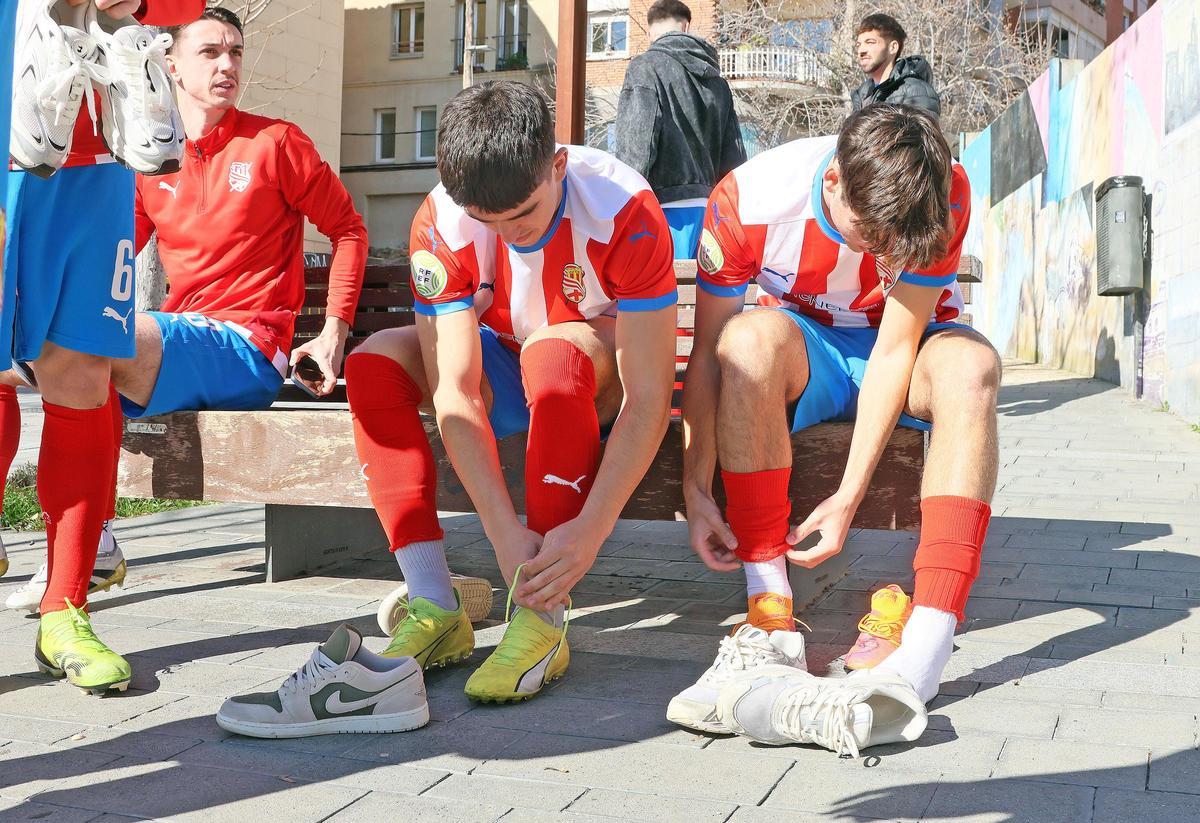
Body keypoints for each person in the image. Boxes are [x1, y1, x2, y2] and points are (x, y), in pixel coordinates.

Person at [219, 80, 678, 735]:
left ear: (557, 166)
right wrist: (500, 533)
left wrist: (592, 528)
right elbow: (456, 394)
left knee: (551, 348)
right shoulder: (440, 218)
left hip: (584, 370)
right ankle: (435, 601)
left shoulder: (624, 206)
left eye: (520, 216)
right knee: (374, 361)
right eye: (484, 221)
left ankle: (542, 616)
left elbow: (648, 398)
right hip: (501, 360)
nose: (503, 234)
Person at [1, 5, 369, 614]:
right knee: (18, 356)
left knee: (98, 344)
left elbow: (350, 231)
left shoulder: (277, 142)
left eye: (235, 52)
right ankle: (90, 540)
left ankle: (90, 546)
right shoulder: (148, 156)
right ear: (167, 63)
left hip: (249, 347)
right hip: (176, 344)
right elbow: (114, 251)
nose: (227, 65)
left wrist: (333, 333)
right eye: (209, 52)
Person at [670, 104, 999, 756]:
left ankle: (925, 647)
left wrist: (849, 494)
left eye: (894, 243)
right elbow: (708, 351)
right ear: (832, 186)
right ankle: (770, 617)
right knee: (747, 338)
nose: (881, 256)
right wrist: (695, 483)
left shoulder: (940, 186)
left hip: (902, 349)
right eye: (868, 235)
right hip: (810, 352)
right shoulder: (750, 199)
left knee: (973, 364)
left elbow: (895, 349)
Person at [1, 0, 204, 693]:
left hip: (96, 141)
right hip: (14, 94)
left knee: (82, 372)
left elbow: (178, 10)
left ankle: (64, 608)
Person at [614, 0, 745, 259]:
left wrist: (621, 205)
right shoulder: (717, 82)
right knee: (701, 297)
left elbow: (636, 147)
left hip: (660, 210)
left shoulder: (645, 68)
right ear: (685, 26)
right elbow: (735, 160)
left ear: (649, 32)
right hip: (711, 213)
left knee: (660, 296)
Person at [850, 13, 940, 117]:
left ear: (892, 47)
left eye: (870, 42)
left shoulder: (915, 91)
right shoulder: (862, 95)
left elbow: (921, 133)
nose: (861, 50)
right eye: (858, 45)